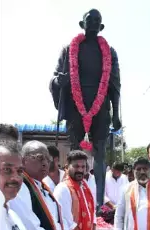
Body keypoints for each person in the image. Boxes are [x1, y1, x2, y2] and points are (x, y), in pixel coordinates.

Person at [50, 9, 122, 209]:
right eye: (89, 21)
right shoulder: (68, 50)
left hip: (101, 107)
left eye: (97, 21)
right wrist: (59, 81)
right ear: (82, 24)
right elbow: (55, 77)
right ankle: (73, 198)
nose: (93, 24)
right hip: (76, 105)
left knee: (100, 154)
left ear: (101, 27)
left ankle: (98, 203)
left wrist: (116, 113)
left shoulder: (109, 52)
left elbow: (115, 84)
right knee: (74, 152)